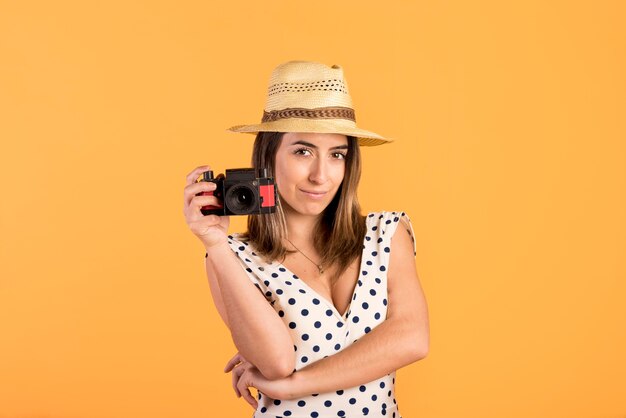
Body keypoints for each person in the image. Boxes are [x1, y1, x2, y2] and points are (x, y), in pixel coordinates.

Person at [183, 61, 429, 418]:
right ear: (269, 156)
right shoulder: (233, 258)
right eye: (303, 151)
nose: (321, 175)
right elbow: (277, 362)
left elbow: (412, 339)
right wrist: (214, 243)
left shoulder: (386, 234)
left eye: (337, 155)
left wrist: (294, 386)